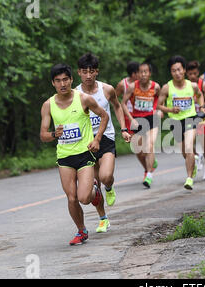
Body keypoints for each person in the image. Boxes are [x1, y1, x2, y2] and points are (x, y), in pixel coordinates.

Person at [40, 63, 109, 245]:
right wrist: (55, 134)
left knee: (84, 198)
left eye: (65, 79)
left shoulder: (84, 99)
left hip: (84, 154)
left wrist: (97, 139)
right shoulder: (48, 105)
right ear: (53, 83)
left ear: (71, 80)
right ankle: (81, 231)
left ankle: (95, 192)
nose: (62, 84)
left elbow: (104, 116)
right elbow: (43, 135)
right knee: (72, 198)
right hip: (64, 157)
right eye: (58, 81)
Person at [75, 53, 131, 233]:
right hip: (85, 142)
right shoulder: (75, 94)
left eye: (92, 71)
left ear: (97, 72)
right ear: (79, 73)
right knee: (93, 184)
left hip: (105, 137)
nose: (88, 75)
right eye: (85, 72)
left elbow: (116, 106)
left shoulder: (107, 89)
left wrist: (123, 128)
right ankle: (103, 218)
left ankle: (109, 186)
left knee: (105, 176)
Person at [157, 55, 205, 190]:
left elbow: (200, 95)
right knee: (185, 153)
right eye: (174, 70)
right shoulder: (167, 88)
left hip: (190, 118)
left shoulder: (193, 85)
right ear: (171, 72)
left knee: (190, 147)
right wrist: (170, 109)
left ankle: (189, 178)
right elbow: (158, 105)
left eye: (179, 70)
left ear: (184, 70)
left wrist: (201, 107)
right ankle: (194, 165)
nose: (177, 73)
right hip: (175, 121)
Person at [122, 62, 161, 188]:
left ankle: (149, 174)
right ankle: (152, 162)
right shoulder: (133, 87)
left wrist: (159, 110)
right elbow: (123, 103)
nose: (143, 74)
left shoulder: (156, 87)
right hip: (137, 120)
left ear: (150, 73)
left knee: (149, 145)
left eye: (146, 71)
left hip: (151, 119)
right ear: (137, 73)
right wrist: (130, 118)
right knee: (138, 150)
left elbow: (161, 100)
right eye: (141, 72)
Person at [186, 60, 205, 175]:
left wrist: (202, 105)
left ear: (198, 73)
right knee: (189, 143)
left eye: (195, 73)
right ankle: (197, 156)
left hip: (202, 117)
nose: (193, 76)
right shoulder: (183, 86)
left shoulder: (203, 84)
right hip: (189, 117)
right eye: (190, 74)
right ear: (186, 74)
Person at [115, 61, 139, 137]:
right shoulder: (122, 84)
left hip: (141, 112)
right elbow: (114, 98)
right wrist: (119, 108)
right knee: (134, 139)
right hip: (129, 114)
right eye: (139, 72)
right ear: (133, 74)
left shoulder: (142, 83)